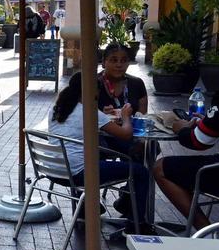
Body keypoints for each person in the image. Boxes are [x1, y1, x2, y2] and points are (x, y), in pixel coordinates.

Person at [154, 40, 219, 230]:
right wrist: (212, 122)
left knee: (161, 167)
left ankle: (207, 232)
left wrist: (181, 128)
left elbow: (198, 142)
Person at [45, 71, 149, 233]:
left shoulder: (56, 109)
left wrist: (104, 116)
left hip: (53, 170)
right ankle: (137, 225)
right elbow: (126, 134)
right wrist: (125, 116)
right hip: (79, 173)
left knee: (98, 154)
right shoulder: (90, 113)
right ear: (91, 91)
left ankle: (86, 209)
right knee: (141, 171)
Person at [98, 42, 148, 115]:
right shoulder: (92, 83)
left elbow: (143, 118)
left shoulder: (137, 84)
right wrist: (100, 116)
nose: (119, 65)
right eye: (114, 60)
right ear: (103, 62)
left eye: (124, 61)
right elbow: (81, 116)